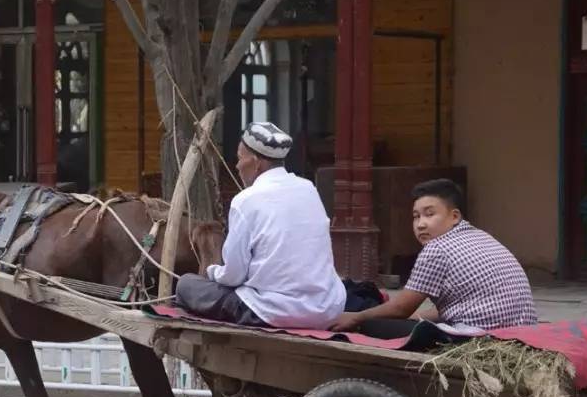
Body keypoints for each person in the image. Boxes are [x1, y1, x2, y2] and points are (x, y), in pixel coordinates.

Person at [175, 122, 347, 329]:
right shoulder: (308, 188)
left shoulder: (245, 201)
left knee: (186, 284)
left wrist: (212, 272)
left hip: (273, 311)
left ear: (256, 163)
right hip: (327, 308)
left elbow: (233, 276)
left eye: (240, 159)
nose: (237, 167)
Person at [331, 178, 537, 335]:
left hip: (478, 337)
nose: (421, 224)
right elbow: (452, 308)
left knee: (371, 323)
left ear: (455, 216)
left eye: (429, 214)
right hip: (519, 333)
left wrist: (356, 318)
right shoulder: (480, 235)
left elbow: (401, 309)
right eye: (416, 216)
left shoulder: (437, 249)